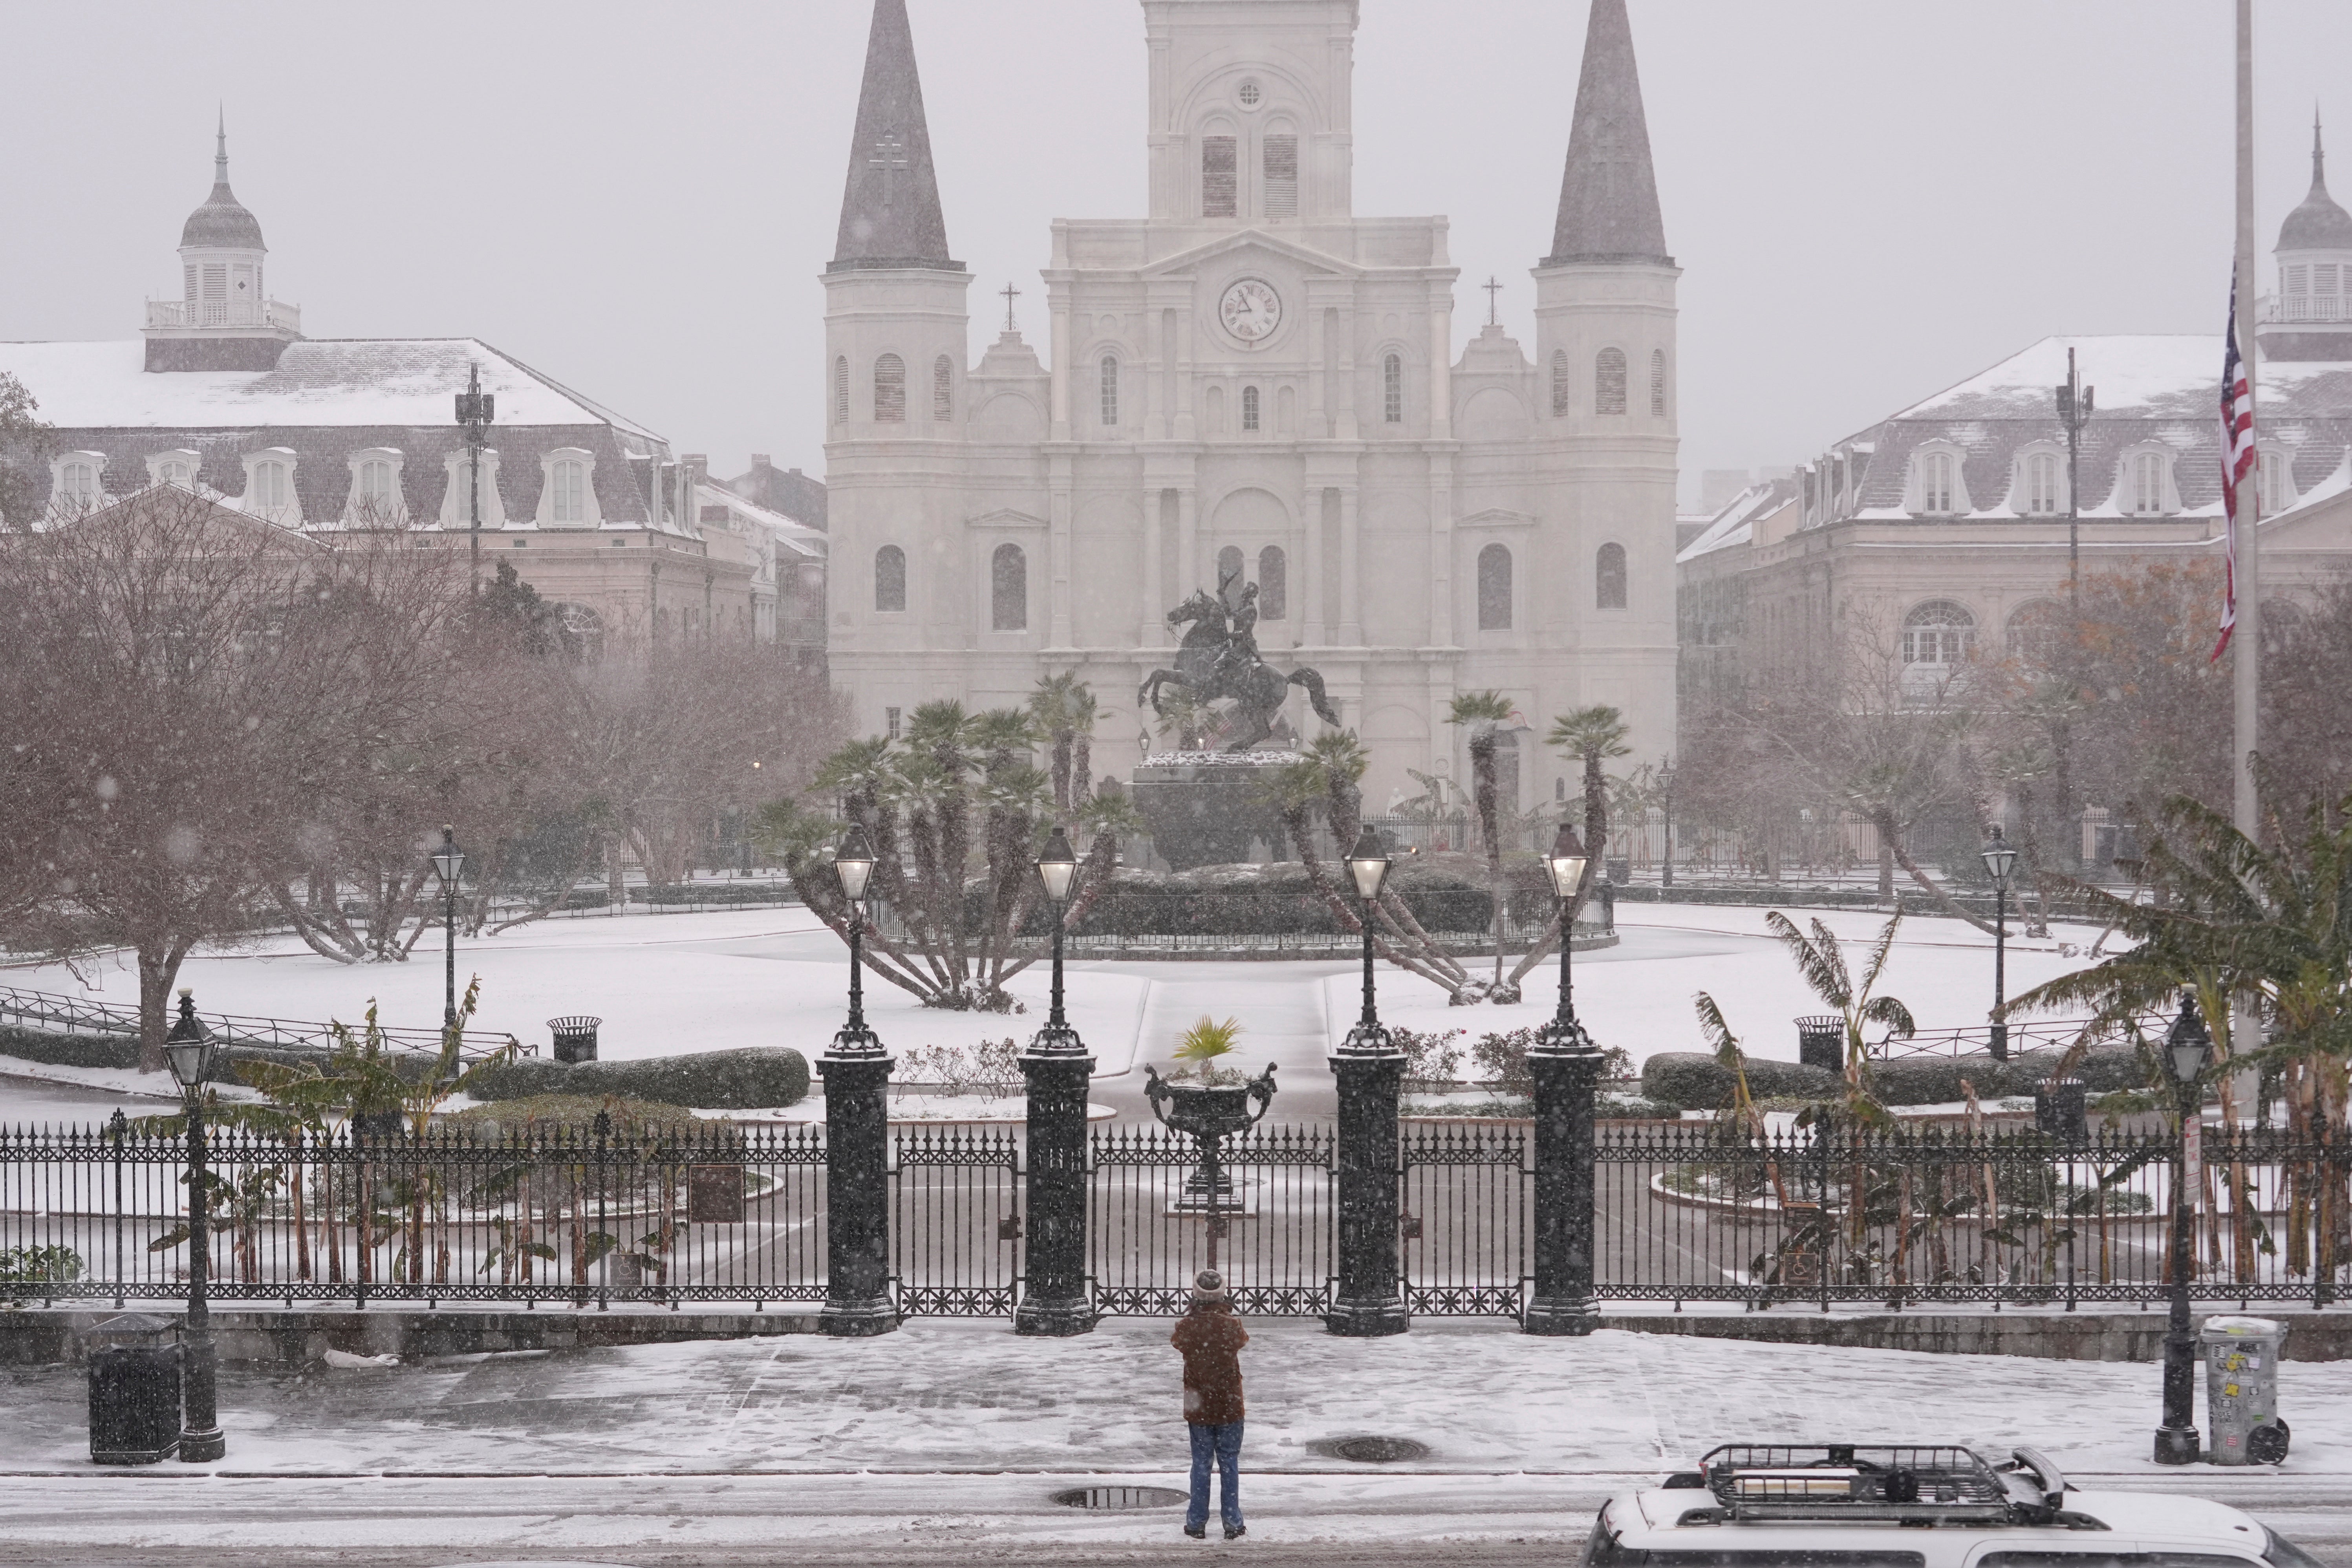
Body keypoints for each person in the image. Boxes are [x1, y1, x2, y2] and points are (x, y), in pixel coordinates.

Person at [1170, 1268, 1248, 1540]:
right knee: (1229, 1461)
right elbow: (1241, 1341)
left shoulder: (1186, 1326)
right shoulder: (1231, 1325)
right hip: (1229, 1401)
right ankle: (1232, 1521)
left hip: (1198, 1402)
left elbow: (1178, 1343)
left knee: (1200, 1463)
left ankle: (1196, 1522)